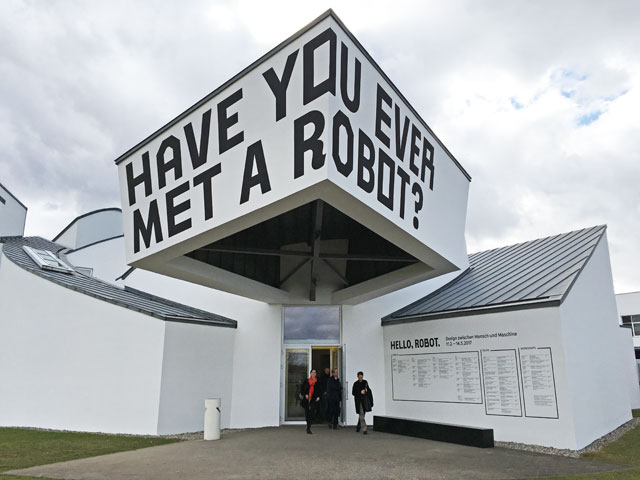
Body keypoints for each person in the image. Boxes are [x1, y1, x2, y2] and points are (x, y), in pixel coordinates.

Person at [301, 369, 321, 434]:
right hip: (307, 399)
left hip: (314, 399)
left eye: (315, 372)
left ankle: (308, 427)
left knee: (311, 413)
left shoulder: (318, 381)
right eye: (312, 372)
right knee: (307, 413)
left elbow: (320, 390)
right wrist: (305, 394)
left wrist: (318, 397)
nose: (314, 374)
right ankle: (308, 425)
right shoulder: (306, 381)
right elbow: (302, 389)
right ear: (310, 373)